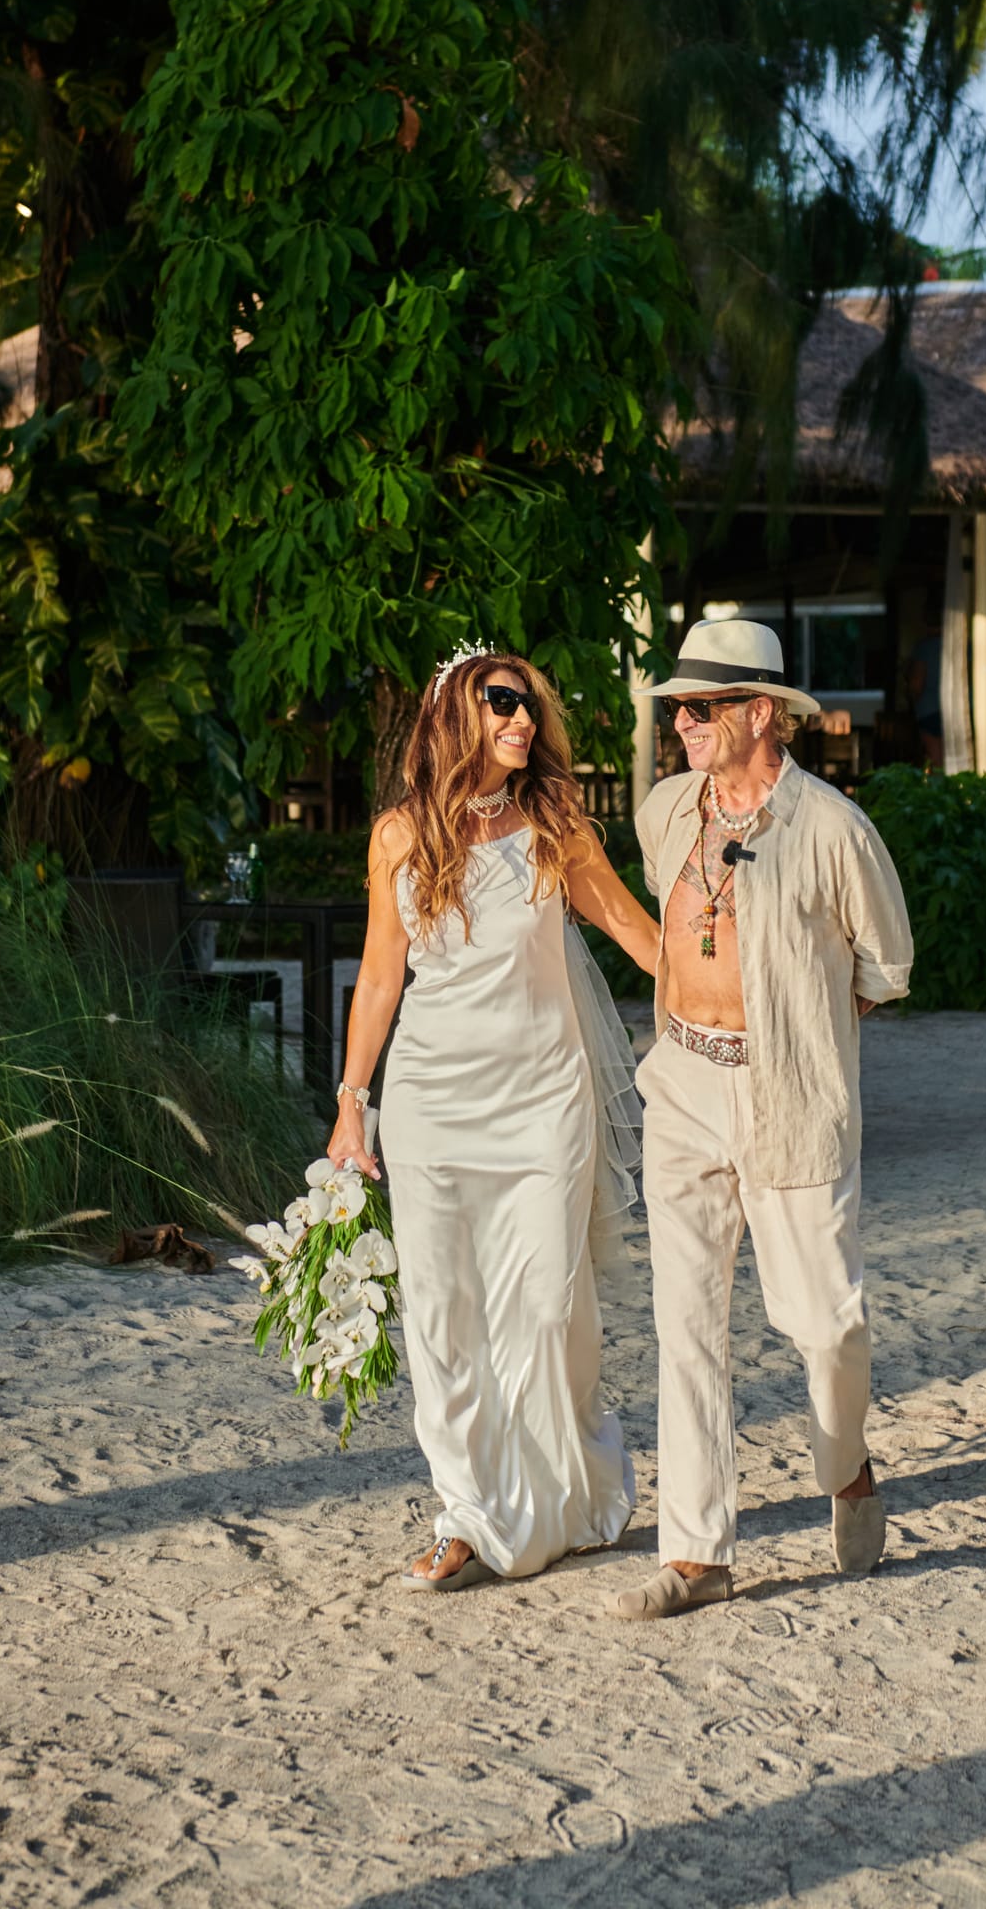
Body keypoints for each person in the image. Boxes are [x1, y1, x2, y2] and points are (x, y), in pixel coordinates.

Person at [328, 645, 660, 1592]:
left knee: (547, 1309)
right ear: (452, 718)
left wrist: (731, 996)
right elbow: (380, 978)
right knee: (444, 1315)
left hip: (544, 1101)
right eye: (500, 702)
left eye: (528, 705)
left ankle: (571, 1494)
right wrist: (352, 1107)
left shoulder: (555, 825)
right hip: (431, 1104)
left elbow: (633, 931)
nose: (521, 719)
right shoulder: (398, 836)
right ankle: (467, 1515)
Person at [609, 617, 914, 1622]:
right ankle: (697, 1553)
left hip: (791, 1097)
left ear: (758, 713)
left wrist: (804, 1031)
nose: (681, 722)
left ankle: (846, 1466)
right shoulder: (665, 810)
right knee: (686, 1323)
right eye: (678, 708)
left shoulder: (833, 828)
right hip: (681, 1085)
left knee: (824, 1324)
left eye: (700, 707)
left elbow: (886, 966)